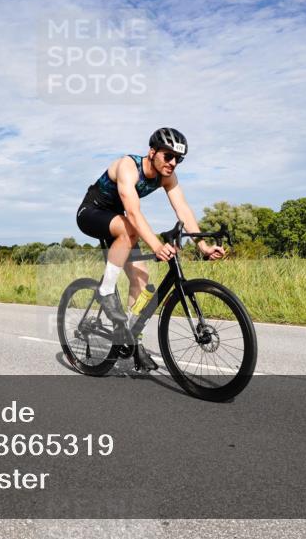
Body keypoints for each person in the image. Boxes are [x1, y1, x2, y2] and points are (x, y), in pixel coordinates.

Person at [76, 128, 225, 371]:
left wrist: (203, 246)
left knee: (142, 280)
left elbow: (183, 210)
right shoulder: (128, 166)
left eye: (179, 159)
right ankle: (105, 291)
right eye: (168, 156)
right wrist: (156, 245)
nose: (173, 163)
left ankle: (132, 341)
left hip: (121, 221)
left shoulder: (167, 176)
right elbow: (133, 213)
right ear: (152, 152)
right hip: (92, 212)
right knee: (129, 228)